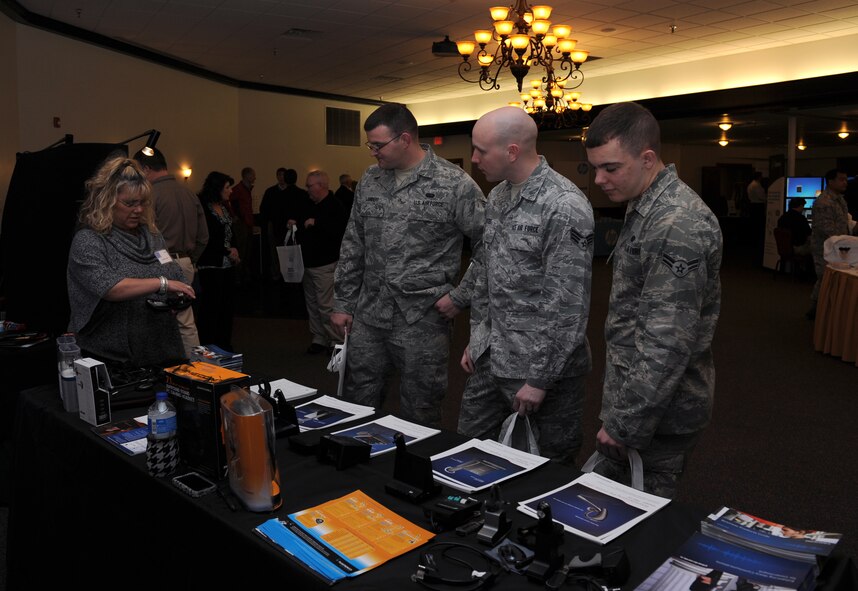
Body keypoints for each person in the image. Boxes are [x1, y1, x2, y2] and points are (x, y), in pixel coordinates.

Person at [583, 102, 723, 499]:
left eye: (610, 168)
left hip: (659, 414)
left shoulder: (675, 222)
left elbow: (666, 341)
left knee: (636, 521)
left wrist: (625, 423)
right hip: (639, 399)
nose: (599, 180)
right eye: (595, 168)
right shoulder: (646, 207)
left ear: (647, 158)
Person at [331, 103, 485, 428]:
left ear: (404, 138)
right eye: (369, 145)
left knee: (420, 410)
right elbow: (353, 243)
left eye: (378, 145)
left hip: (422, 319)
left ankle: (411, 476)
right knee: (356, 400)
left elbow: (491, 244)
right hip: (369, 315)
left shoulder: (454, 184)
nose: (372, 152)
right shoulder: (370, 181)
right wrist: (343, 302)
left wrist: (461, 296)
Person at [457, 107, 594, 465]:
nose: (474, 159)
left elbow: (567, 304)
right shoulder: (499, 196)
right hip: (493, 355)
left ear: (512, 151)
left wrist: (541, 379)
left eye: (481, 151)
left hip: (541, 368)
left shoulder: (564, 206)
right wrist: (478, 338)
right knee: (469, 451)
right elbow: (487, 270)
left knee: (547, 466)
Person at [66, 156, 195, 367]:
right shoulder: (89, 240)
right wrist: (161, 284)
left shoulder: (152, 236)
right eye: (130, 203)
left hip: (161, 349)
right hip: (111, 356)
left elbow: (175, 274)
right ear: (106, 201)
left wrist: (177, 297)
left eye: (143, 203)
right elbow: (110, 287)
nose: (138, 210)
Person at [133, 147, 208, 357]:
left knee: (156, 318)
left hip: (159, 265)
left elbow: (144, 236)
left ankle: (165, 371)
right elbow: (204, 237)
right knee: (186, 322)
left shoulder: (149, 196)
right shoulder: (189, 193)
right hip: (186, 263)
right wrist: (189, 260)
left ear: (146, 169)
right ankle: (197, 371)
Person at [301, 170, 348, 354]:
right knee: (312, 304)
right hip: (309, 263)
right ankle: (319, 337)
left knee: (326, 304)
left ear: (321, 186)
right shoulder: (311, 204)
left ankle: (336, 341)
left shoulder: (335, 206)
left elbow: (339, 233)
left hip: (325, 264)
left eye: (309, 186)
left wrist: (316, 224)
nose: (307, 189)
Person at [197, 171, 241, 350]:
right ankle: (209, 344)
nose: (230, 191)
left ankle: (224, 343)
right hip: (211, 263)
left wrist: (235, 249)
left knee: (226, 305)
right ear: (217, 189)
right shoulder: (203, 207)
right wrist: (226, 251)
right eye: (227, 187)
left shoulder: (223, 207)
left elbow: (230, 231)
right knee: (211, 306)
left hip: (227, 264)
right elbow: (206, 237)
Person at [808, 168, 851, 319]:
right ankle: (817, 309)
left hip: (839, 247)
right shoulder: (824, 202)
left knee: (826, 280)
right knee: (825, 278)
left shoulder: (840, 199)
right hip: (826, 248)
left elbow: (843, 223)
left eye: (846, 179)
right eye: (841, 179)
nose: (845, 182)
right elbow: (828, 230)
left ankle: (817, 309)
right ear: (830, 181)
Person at [259, 167, 308, 281]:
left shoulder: (285, 193)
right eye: (279, 175)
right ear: (277, 176)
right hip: (276, 226)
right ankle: (278, 273)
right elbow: (264, 209)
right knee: (276, 251)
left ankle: (290, 273)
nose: (281, 177)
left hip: (289, 227)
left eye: (283, 175)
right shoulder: (271, 191)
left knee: (291, 251)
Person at [229, 166, 256, 284]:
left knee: (247, 250)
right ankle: (239, 277)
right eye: (253, 175)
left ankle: (244, 275)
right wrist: (235, 216)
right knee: (242, 250)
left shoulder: (245, 189)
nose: (255, 177)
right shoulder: (239, 190)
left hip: (247, 222)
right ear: (247, 176)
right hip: (242, 223)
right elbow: (230, 203)